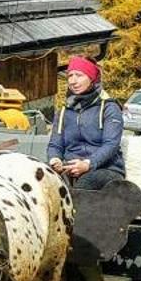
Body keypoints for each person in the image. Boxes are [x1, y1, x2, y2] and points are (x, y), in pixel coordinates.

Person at [46, 56, 126, 190]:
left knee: (84, 184)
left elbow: (111, 145)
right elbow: (55, 144)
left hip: (105, 169)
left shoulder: (109, 108)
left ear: (92, 79)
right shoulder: (64, 111)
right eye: (70, 76)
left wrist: (88, 164)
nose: (73, 81)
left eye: (79, 75)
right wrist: (55, 160)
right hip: (69, 167)